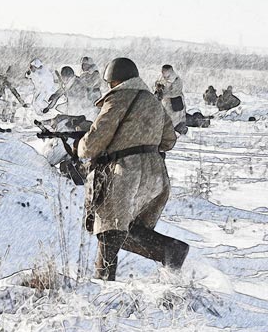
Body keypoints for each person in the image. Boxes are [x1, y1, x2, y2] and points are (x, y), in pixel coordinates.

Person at [77, 57, 189, 281]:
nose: (110, 86)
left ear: (116, 81)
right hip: (156, 176)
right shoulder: (152, 101)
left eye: (111, 83)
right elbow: (169, 139)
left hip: (126, 174)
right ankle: (169, 250)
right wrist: (143, 141)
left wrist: (78, 146)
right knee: (133, 230)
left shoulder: (118, 99)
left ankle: (103, 288)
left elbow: (93, 143)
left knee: (109, 232)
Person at [155, 64, 187, 134]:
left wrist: (164, 94)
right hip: (164, 103)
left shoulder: (176, 80)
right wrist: (158, 91)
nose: (163, 74)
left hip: (174, 103)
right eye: (162, 72)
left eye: (165, 72)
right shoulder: (160, 78)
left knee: (175, 120)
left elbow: (176, 92)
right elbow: (156, 85)